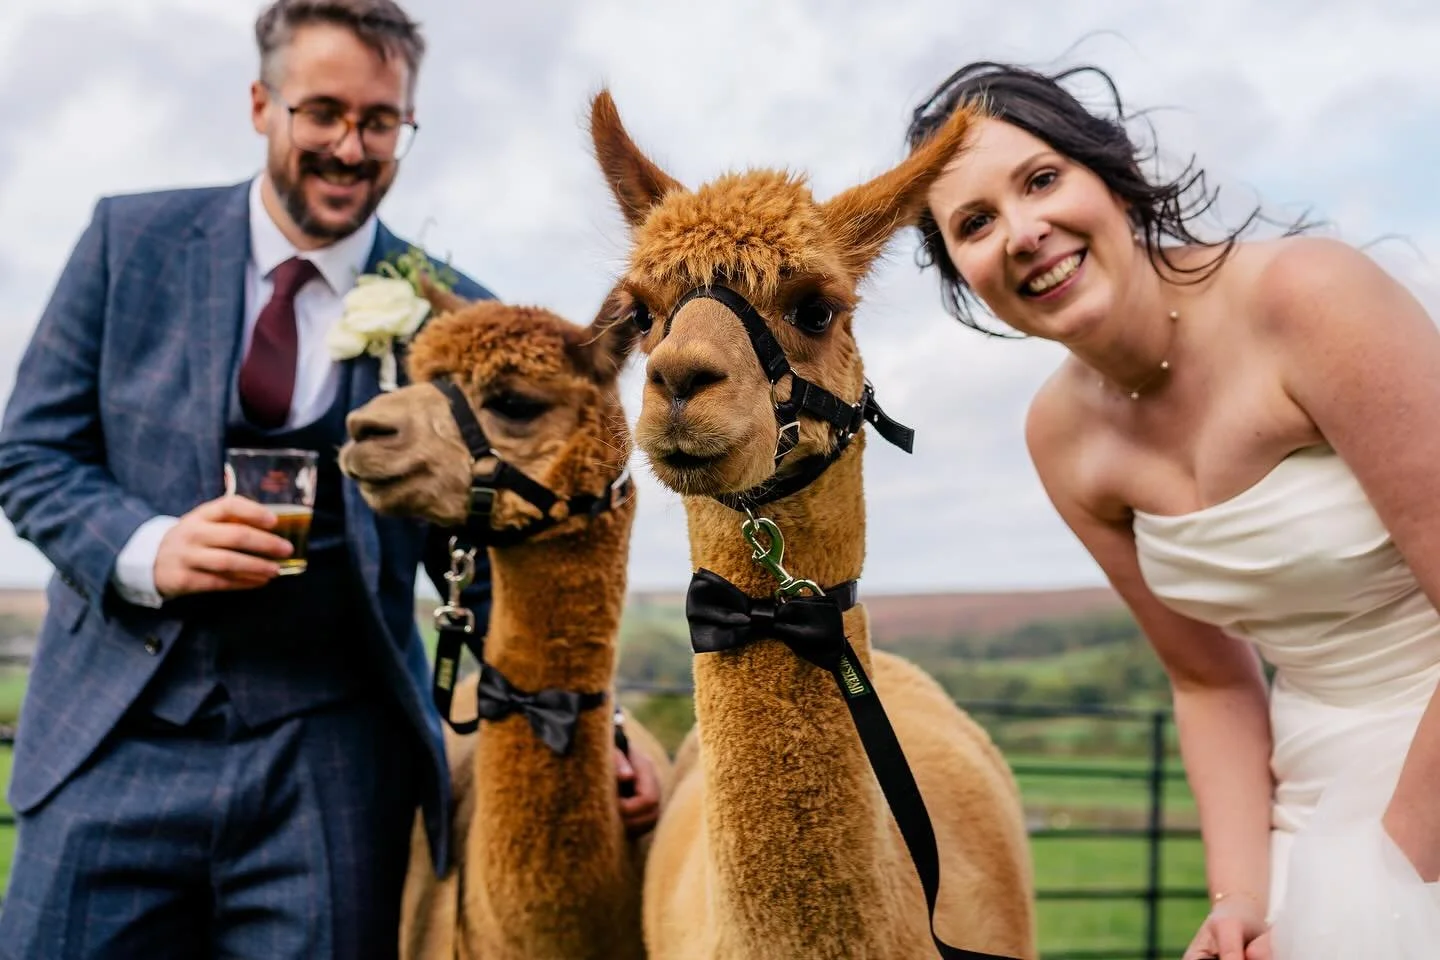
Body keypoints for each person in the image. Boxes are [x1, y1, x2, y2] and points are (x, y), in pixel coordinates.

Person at [0, 1, 659, 956]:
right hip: (116, 741)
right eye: (323, 113)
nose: (351, 147)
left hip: (335, 770)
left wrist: (584, 718)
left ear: (406, 125)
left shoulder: (462, 313)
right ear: (263, 104)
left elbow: (502, 545)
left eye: (380, 121)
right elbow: (31, 456)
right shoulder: (128, 245)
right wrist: (151, 549)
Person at [905, 61, 1440, 959]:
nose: (1024, 232)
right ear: (963, 275)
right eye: (976, 222)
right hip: (1310, 775)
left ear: (1109, 175)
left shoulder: (1309, 299)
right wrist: (1243, 898)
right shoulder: (1061, 439)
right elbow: (1210, 680)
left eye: (1041, 180)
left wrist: (1389, 876)